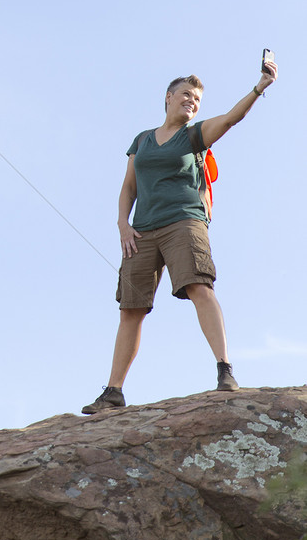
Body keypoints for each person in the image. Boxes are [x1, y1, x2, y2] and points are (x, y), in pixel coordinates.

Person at [81, 60, 278, 414]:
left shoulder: (194, 135)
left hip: (184, 222)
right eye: (186, 95)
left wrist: (259, 87)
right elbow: (129, 186)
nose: (192, 102)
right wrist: (122, 224)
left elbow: (232, 119)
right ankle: (113, 391)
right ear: (168, 97)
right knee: (131, 309)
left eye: (197, 99)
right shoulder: (141, 140)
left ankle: (225, 370)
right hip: (141, 231)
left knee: (199, 287)